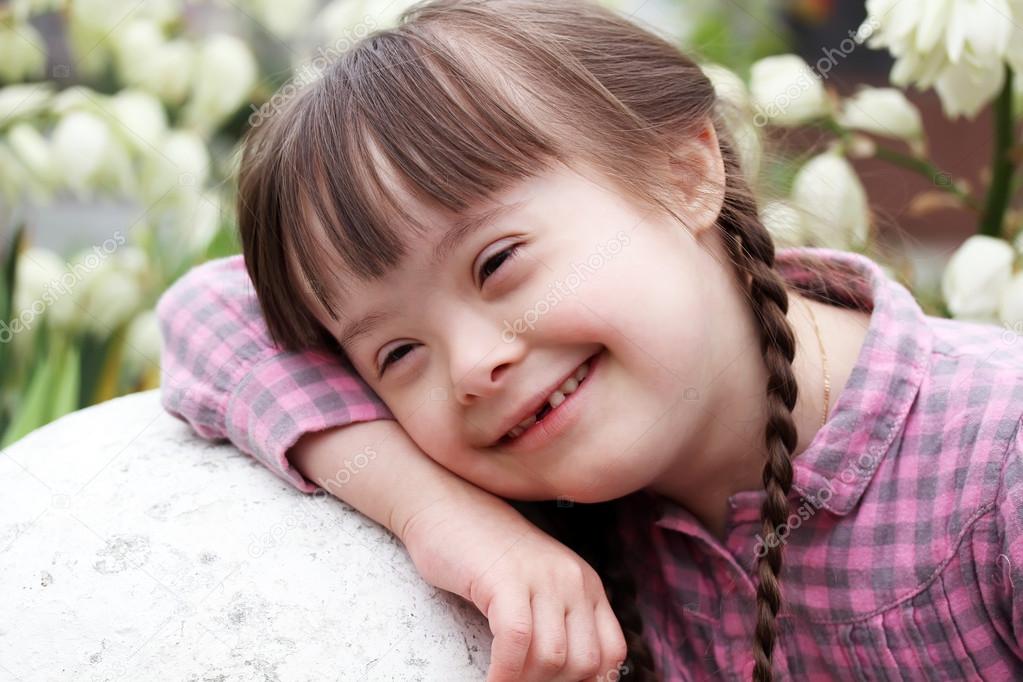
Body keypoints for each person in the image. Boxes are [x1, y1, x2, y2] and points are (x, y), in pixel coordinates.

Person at [156, 1, 1023, 680]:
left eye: (496, 263)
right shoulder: (583, 510)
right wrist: (441, 516)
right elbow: (207, 312)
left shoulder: (997, 468)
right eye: (397, 354)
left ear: (684, 174)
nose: (469, 366)